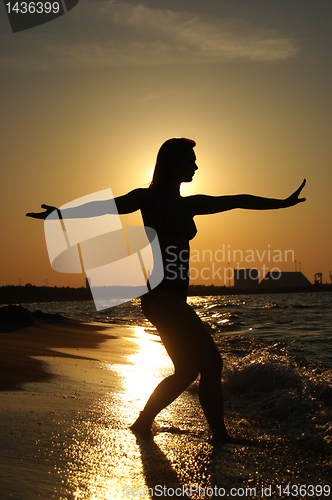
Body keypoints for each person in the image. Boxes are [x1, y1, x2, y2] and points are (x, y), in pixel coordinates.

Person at [27, 137, 306, 443]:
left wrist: (282, 203)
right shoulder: (149, 199)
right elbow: (107, 207)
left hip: (170, 298)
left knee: (186, 370)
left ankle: (142, 423)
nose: (196, 165)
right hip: (161, 296)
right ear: (171, 163)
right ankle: (221, 437)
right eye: (189, 160)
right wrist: (60, 215)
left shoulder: (190, 204)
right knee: (212, 363)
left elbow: (236, 199)